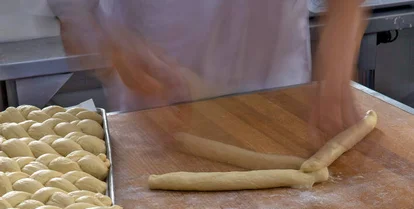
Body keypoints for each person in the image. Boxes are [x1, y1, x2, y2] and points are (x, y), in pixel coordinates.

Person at [47, 0, 364, 135]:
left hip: (282, 109)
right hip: (160, 118)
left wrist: (338, 58)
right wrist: (113, 48)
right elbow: (74, 14)